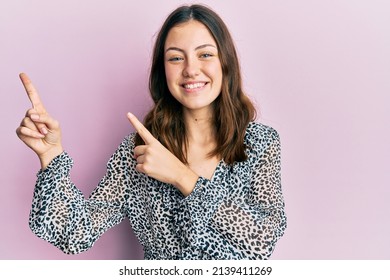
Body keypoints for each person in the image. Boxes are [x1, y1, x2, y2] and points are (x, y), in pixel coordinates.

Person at [16, 4, 286, 260]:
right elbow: (74, 234)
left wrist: (183, 177)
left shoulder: (259, 143)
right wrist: (51, 158)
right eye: (176, 58)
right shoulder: (138, 150)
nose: (191, 69)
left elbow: (262, 241)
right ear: (163, 71)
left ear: (225, 63)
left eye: (205, 54)